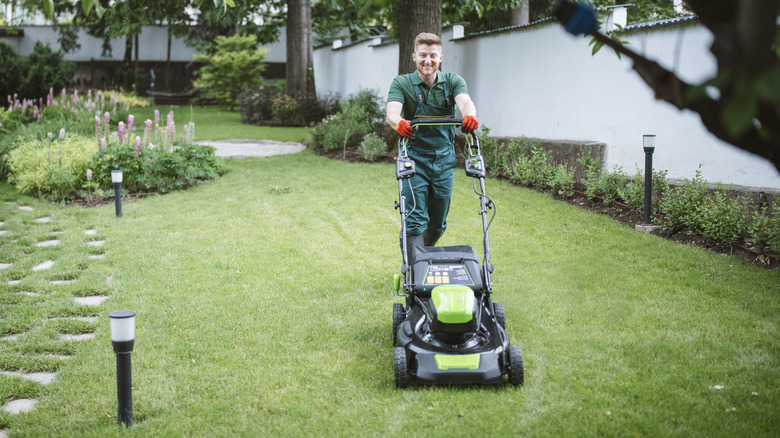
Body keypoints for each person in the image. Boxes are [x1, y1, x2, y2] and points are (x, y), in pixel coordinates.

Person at [386, 32, 479, 255]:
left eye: (433, 56)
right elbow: (392, 112)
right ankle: (413, 269)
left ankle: (421, 258)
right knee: (416, 218)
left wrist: (470, 115)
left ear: (441, 57)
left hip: (444, 160)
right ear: (414, 56)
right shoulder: (402, 83)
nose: (428, 61)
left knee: (438, 223)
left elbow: (465, 102)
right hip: (414, 160)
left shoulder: (453, 81)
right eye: (423, 55)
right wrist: (399, 123)